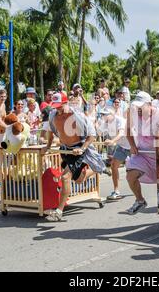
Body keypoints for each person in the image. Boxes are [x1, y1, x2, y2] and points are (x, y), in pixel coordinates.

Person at [42, 93, 105, 221]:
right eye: (55, 106)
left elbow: (92, 134)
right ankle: (98, 168)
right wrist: (48, 146)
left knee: (65, 177)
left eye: (60, 106)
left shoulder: (78, 116)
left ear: (66, 102)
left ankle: (59, 212)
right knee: (78, 180)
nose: (58, 109)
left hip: (78, 150)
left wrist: (82, 149)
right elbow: (50, 131)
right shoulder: (53, 115)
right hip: (66, 150)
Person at [98, 108, 131, 200]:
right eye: (102, 115)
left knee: (145, 168)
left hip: (133, 146)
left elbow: (121, 134)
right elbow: (97, 133)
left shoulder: (120, 120)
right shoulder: (105, 123)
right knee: (113, 166)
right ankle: (116, 191)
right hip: (122, 147)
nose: (103, 116)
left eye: (105, 114)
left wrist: (112, 141)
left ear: (111, 114)